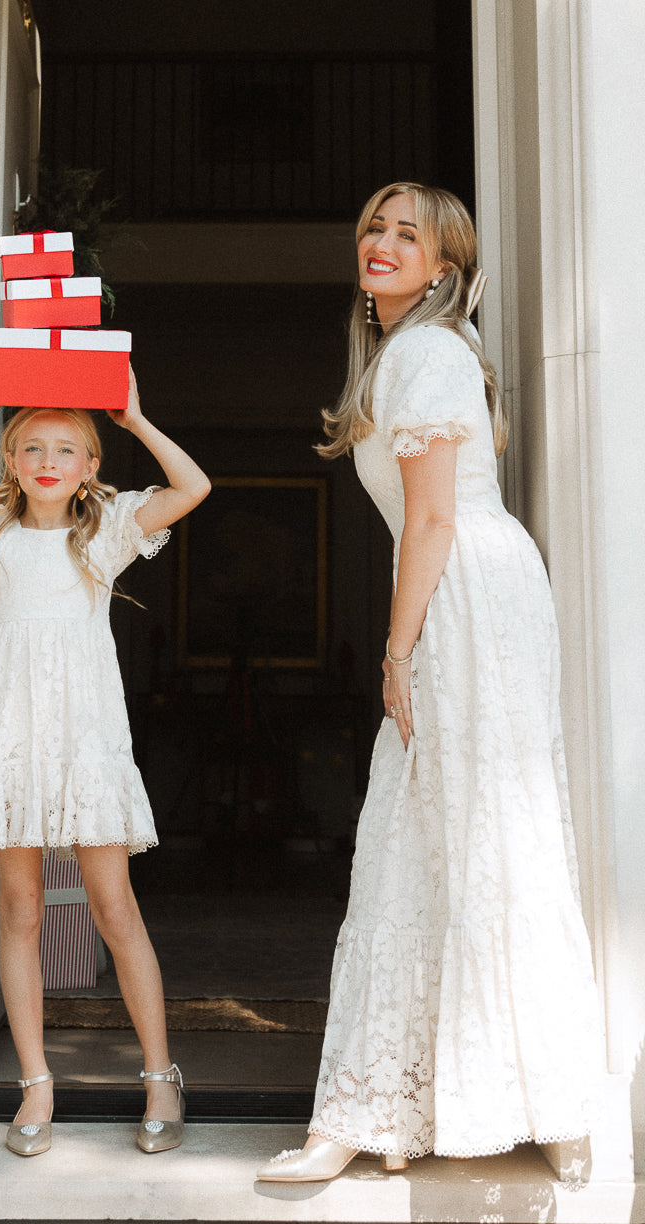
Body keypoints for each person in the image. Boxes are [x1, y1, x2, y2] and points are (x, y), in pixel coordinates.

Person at [256, 182, 603, 1182]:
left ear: (443, 268)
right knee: (425, 843)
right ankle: (383, 1108)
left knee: (487, 835)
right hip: (470, 594)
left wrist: (395, 652)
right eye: (375, 225)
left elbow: (436, 523)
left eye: (410, 234)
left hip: (467, 600)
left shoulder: (430, 355)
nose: (384, 242)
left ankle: (540, 1099)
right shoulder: (404, 359)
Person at [0, 367, 210, 1157]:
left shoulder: (106, 530)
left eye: (68, 448)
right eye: (32, 446)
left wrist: (133, 418)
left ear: (91, 465)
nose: (50, 459)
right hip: (14, 739)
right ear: (13, 461)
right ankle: (36, 1083)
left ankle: (161, 1075)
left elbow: (192, 484)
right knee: (22, 910)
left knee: (114, 908)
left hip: (85, 739)